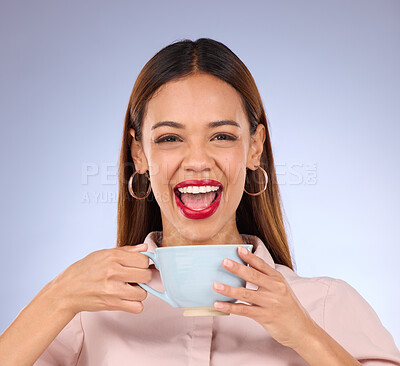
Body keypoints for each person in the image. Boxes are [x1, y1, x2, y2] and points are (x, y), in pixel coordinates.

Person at [0, 38, 399, 366]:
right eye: (170, 138)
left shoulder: (325, 305)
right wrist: (57, 296)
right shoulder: (89, 312)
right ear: (139, 155)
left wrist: (305, 335)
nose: (197, 162)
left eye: (222, 136)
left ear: (255, 148)